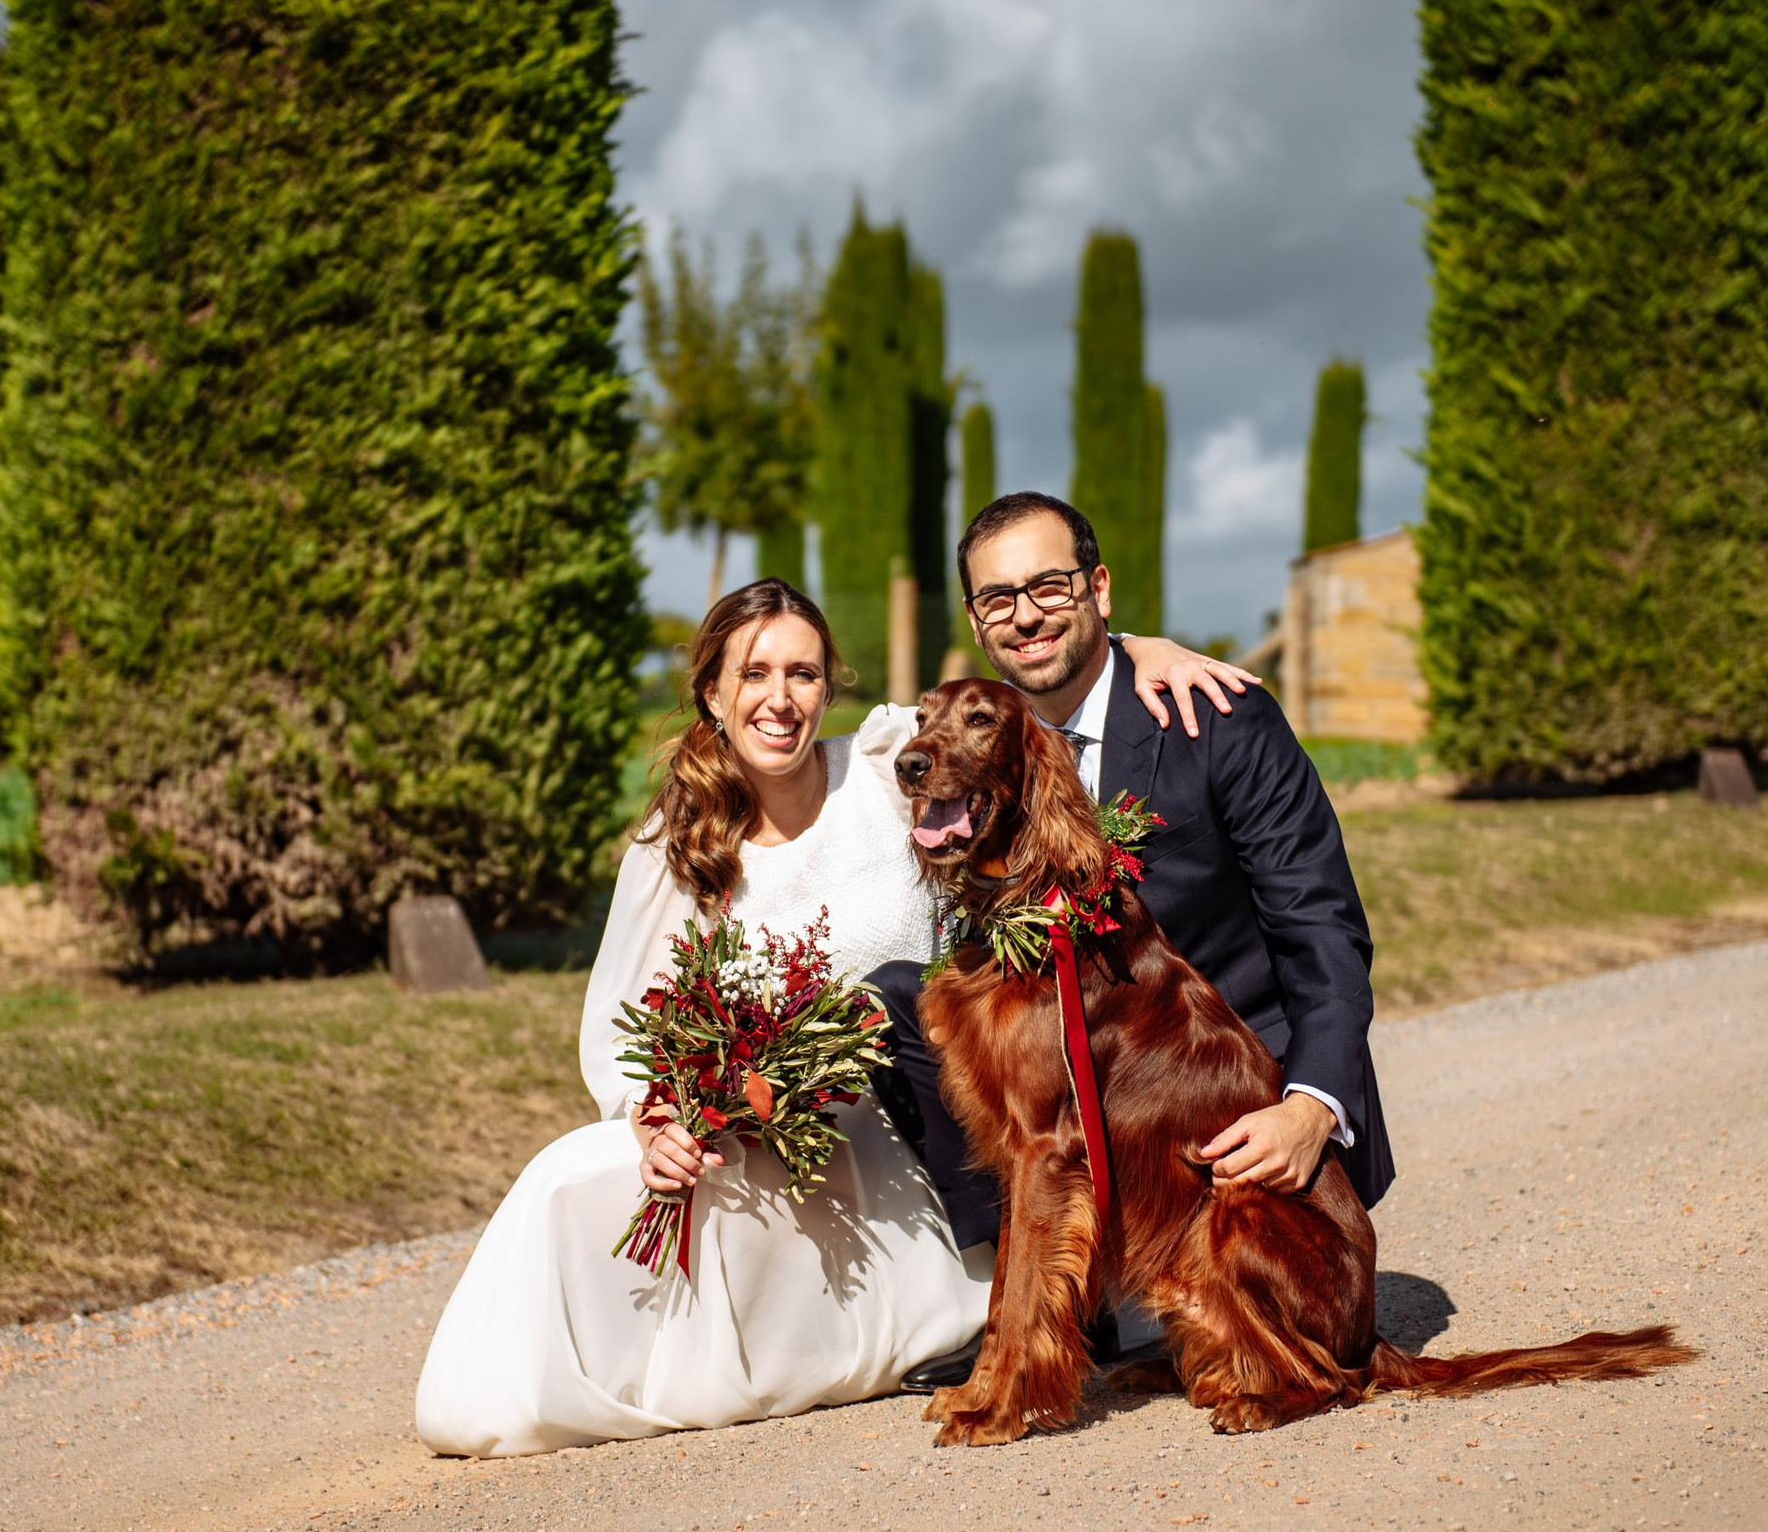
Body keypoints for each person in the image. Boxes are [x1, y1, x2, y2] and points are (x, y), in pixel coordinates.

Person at [415, 577, 1253, 1456]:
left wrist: (1135, 650)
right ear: (713, 691)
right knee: (568, 1177)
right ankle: (527, 1381)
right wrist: (655, 1118)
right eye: (755, 673)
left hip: (927, 1142)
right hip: (767, 1136)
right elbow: (629, 1026)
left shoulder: (890, 766)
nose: (780, 698)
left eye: (804, 673)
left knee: (893, 991)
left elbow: (1015, 709)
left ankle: (993, 1298)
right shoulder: (676, 845)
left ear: (829, 687)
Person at [872, 491, 1391, 1395]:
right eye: (998, 597)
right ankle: (1053, 1304)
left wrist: (1309, 1108)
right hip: (1084, 1098)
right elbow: (813, 739)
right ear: (975, 621)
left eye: (1049, 585)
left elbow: (1324, 924)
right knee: (907, 995)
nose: (1026, 613)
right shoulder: (975, 736)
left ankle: (1093, 1302)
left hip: (1224, 1113)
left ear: (1099, 588)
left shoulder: (1216, 716)